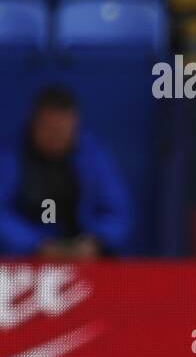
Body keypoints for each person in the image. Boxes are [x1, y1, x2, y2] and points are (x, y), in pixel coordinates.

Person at [0, 87, 132, 259]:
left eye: (63, 130)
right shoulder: (9, 157)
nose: (56, 137)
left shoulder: (93, 155)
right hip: (23, 261)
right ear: (34, 123)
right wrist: (34, 244)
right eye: (50, 129)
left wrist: (97, 240)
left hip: (84, 256)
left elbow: (118, 212)